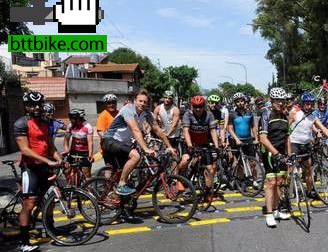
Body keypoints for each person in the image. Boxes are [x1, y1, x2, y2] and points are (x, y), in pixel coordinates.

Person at [101, 89, 176, 223]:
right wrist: (146, 149)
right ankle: (121, 184)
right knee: (136, 156)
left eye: (145, 102)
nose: (142, 104)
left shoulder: (146, 113)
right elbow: (135, 130)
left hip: (123, 144)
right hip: (110, 141)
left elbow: (157, 130)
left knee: (132, 174)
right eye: (140, 101)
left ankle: (124, 207)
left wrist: (169, 146)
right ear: (134, 100)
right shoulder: (127, 110)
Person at [14, 91, 62, 252]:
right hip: (30, 168)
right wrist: (48, 160)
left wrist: (59, 158)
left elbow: (50, 145)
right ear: (26, 106)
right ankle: (24, 241)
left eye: (39, 104)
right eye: (32, 105)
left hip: (44, 167)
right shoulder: (21, 123)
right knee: (29, 204)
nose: (36, 107)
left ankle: (51, 228)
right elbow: (25, 149)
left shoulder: (45, 122)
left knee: (50, 199)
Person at [288, 93, 328, 198]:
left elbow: (325, 130)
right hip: (294, 143)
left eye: (311, 104)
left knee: (309, 169)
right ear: (303, 104)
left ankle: (309, 191)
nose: (309, 106)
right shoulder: (294, 113)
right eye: (307, 104)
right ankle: (288, 190)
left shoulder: (313, 117)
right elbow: (286, 128)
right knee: (291, 168)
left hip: (306, 144)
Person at [259, 87, 291, 228]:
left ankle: (277, 211)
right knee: (271, 183)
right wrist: (277, 154)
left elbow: (287, 137)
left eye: (282, 100)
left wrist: (289, 155)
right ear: (271, 101)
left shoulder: (285, 115)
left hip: (281, 152)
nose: (281, 103)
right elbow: (263, 139)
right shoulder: (266, 114)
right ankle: (269, 214)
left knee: (280, 182)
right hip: (269, 152)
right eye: (278, 100)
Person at [178, 95, 220, 198]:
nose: (198, 109)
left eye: (200, 106)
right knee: (185, 160)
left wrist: (216, 146)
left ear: (204, 106)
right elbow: (186, 131)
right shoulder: (188, 114)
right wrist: (189, 145)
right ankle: (179, 179)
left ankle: (207, 193)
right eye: (195, 106)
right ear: (192, 106)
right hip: (190, 143)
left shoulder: (209, 115)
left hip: (203, 144)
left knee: (209, 169)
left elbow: (213, 131)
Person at [63, 109, 94, 179]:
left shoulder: (88, 127)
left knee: (86, 174)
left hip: (84, 153)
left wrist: (90, 155)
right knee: (67, 170)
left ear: (79, 118)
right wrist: (67, 152)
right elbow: (66, 140)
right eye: (70, 118)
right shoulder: (70, 126)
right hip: (73, 151)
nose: (70, 120)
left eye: (72, 119)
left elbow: (90, 142)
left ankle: (88, 189)